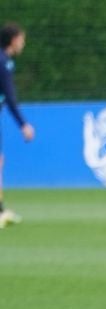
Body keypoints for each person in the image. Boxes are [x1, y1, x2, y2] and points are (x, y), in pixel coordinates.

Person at [0, 22, 35, 228]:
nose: (23, 43)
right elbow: (10, 97)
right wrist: (23, 124)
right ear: (13, 40)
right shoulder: (3, 62)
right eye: (21, 39)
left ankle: (1, 210)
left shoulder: (5, 61)